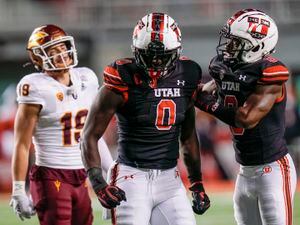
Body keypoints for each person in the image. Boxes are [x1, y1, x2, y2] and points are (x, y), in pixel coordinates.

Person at [80, 12, 210, 225]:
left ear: (176, 51)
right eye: (149, 54)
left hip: (170, 179)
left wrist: (196, 183)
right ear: (136, 50)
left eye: (163, 55)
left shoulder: (187, 73)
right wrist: (98, 183)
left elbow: (188, 136)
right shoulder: (122, 77)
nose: (157, 61)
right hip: (131, 177)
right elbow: (88, 136)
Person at [196, 9, 297, 225]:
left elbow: (247, 118)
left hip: (273, 170)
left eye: (237, 42)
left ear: (258, 46)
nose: (229, 47)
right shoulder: (225, 67)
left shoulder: (270, 73)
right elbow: (205, 91)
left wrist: (207, 104)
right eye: (230, 40)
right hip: (244, 171)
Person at [10, 24, 113, 225]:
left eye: (63, 47)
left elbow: (93, 135)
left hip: (82, 173)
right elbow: (21, 144)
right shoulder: (35, 87)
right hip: (51, 173)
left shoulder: (86, 78)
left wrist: (108, 174)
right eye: (52, 51)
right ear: (38, 58)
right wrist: (17, 189)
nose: (61, 54)